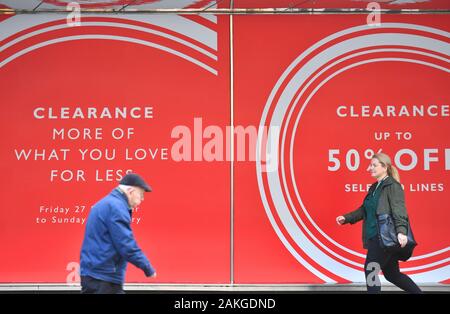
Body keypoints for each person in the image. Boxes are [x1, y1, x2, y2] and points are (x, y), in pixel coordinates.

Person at [336, 153, 421, 294]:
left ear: (385, 167)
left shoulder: (393, 186)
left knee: (371, 269)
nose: (370, 168)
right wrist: (347, 218)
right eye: (370, 165)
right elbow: (365, 209)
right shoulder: (375, 187)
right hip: (376, 236)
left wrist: (401, 231)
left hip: (383, 236)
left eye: (374, 165)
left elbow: (399, 209)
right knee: (392, 274)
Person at [80, 173, 156, 294]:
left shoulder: (108, 203)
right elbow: (126, 243)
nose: (142, 199)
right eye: (141, 194)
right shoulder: (117, 207)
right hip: (104, 276)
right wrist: (147, 267)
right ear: (130, 191)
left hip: (96, 273)